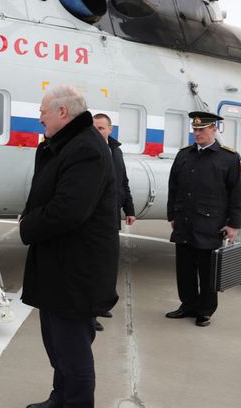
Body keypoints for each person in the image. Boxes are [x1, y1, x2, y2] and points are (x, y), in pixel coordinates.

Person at [19, 85, 119, 408]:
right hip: (56, 267)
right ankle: (59, 398)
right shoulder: (61, 145)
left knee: (73, 354)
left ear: (62, 112)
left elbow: (69, 210)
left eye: (43, 112)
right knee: (57, 346)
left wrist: (27, 226)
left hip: (75, 273)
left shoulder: (86, 148)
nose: (39, 119)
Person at [165, 111, 241, 328]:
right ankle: (188, 305)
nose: (197, 133)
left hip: (211, 224)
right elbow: (174, 187)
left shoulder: (228, 158)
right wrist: (172, 214)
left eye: (201, 129)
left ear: (213, 130)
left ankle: (205, 310)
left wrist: (234, 224)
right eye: (195, 129)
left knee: (207, 272)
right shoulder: (184, 155)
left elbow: (236, 194)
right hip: (184, 221)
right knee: (185, 269)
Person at [92, 113, 136, 331]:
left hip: (111, 216)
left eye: (101, 128)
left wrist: (129, 209)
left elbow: (123, 182)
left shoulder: (116, 152)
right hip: (93, 218)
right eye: (94, 128)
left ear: (110, 129)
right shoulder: (89, 151)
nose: (98, 132)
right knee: (91, 266)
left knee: (107, 264)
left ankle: (101, 304)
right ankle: (88, 313)